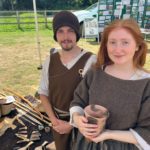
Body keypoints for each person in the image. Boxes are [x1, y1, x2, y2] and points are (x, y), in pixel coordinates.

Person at [70, 19, 150, 150]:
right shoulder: (95, 73)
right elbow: (78, 102)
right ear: (106, 45)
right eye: (112, 42)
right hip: (86, 145)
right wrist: (78, 119)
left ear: (137, 46)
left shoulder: (146, 84)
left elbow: (147, 132)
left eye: (125, 42)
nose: (118, 49)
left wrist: (108, 134)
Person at [38, 10, 96, 150]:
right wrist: (54, 120)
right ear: (55, 35)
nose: (65, 37)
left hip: (83, 126)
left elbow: (96, 101)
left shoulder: (90, 61)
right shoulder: (50, 61)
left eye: (70, 30)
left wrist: (72, 125)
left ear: (77, 33)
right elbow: (43, 92)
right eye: (60, 31)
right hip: (57, 124)